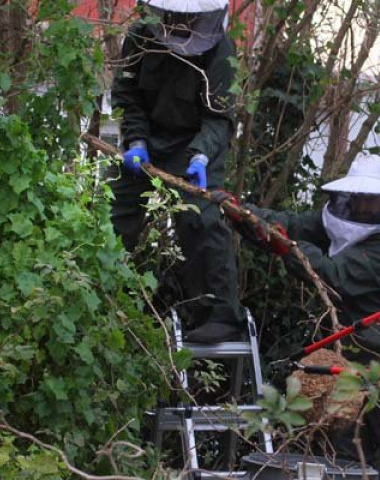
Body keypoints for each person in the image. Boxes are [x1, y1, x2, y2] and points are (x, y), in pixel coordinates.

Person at [227, 153, 380, 467]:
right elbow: (290, 225)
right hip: (347, 351)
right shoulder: (339, 220)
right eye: (357, 198)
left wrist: (288, 246)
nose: (361, 206)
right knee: (344, 448)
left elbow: (331, 275)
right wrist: (241, 213)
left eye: (370, 200)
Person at [108, 0, 244, 343]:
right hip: (149, 140)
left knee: (200, 219)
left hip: (196, 144)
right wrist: (136, 140)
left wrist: (200, 155)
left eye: (188, 19)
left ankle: (219, 314)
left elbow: (219, 115)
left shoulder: (220, 49)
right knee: (119, 210)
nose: (180, 24)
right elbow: (127, 93)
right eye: (174, 17)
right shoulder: (140, 36)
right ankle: (106, 295)